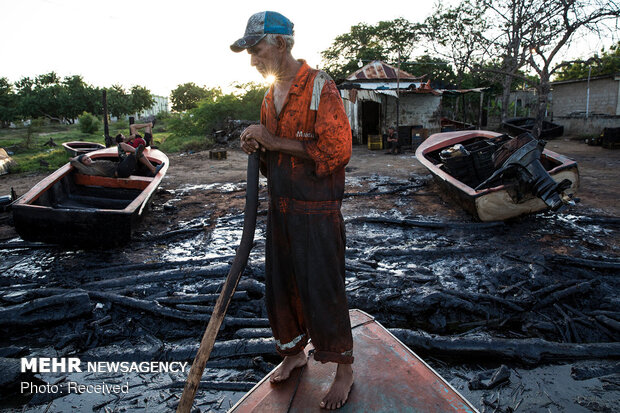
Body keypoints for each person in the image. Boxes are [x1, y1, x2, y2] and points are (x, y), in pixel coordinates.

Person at [232, 11, 354, 410]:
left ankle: (344, 371)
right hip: (280, 208)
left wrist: (273, 140)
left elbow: (337, 152)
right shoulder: (270, 96)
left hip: (316, 211)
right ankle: (294, 353)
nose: (253, 59)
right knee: (281, 289)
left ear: (281, 44)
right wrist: (258, 146)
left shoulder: (321, 87)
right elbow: (272, 159)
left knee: (323, 290)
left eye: (257, 48)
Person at [71, 145, 164, 178]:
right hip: (120, 172)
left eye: (87, 158)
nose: (88, 159)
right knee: (135, 154)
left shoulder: (95, 162)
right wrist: (75, 159)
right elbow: (73, 162)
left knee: (121, 145)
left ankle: (137, 153)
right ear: (82, 164)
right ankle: (152, 168)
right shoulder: (89, 169)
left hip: (121, 165)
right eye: (85, 160)